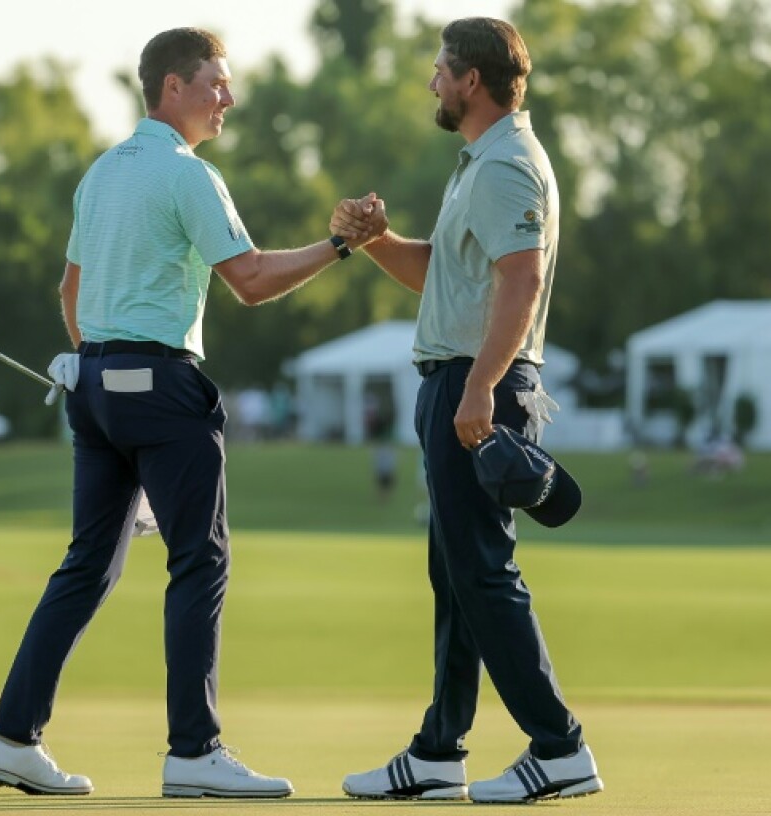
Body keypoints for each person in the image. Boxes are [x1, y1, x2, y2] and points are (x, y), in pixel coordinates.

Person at [0, 27, 385, 799]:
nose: (227, 97)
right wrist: (338, 244)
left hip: (92, 387)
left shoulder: (99, 174)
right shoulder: (187, 174)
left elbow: (71, 292)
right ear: (173, 88)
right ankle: (194, 751)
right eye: (215, 83)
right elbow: (252, 281)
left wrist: (95, 365)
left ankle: (11, 736)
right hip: (162, 391)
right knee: (200, 559)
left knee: (87, 565)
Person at [330, 17, 602, 804]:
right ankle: (439, 752)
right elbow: (446, 279)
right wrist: (378, 240)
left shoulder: (508, 164)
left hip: (479, 385)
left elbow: (520, 281)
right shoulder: (481, 163)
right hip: (460, 380)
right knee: (454, 574)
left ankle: (560, 748)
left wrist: (480, 387)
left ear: (470, 81)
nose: (433, 82)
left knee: (483, 573)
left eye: (441, 69)